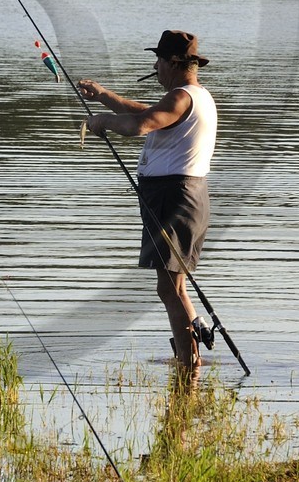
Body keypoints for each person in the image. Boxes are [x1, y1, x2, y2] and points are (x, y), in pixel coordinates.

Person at [77, 30, 216, 373]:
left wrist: (103, 122)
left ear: (173, 63)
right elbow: (149, 113)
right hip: (181, 197)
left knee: (169, 288)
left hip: (174, 197)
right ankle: (190, 355)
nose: (154, 68)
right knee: (172, 286)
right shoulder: (191, 97)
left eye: (158, 61)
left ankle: (190, 363)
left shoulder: (182, 98)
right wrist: (106, 96)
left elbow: (142, 124)